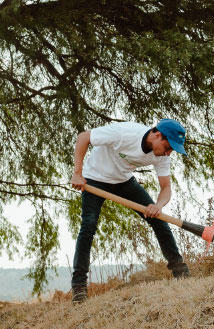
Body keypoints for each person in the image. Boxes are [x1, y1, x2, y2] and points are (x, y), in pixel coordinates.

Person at [68, 119, 192, 303]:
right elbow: (83, 137)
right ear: (157, 135)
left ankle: (180, 270)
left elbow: (166, 188)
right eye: (169, 146)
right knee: (88, 226)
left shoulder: (162, 156)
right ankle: (79, 287)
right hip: (95, 178)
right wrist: (77, 173)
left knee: (159, 220)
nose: (169, 152)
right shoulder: (124, 133)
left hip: (124, 181)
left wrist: (158, 206)